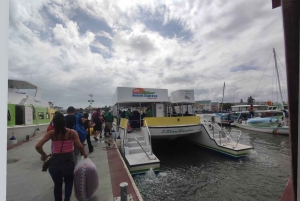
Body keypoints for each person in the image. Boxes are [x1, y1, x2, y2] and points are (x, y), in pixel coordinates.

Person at [35, 112, 87, 201]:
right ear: (64, 123)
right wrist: (85, 155)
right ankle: (67, 199)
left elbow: (38, 146)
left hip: (54, 162)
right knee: (69, 182)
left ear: (54, 123)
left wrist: (44, 155)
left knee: (57, 184)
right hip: (69, 161)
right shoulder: (72, 132)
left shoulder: (51, 133)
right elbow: (80, 146)